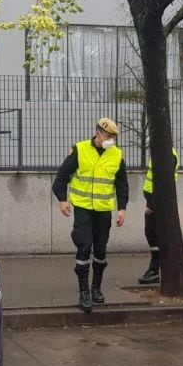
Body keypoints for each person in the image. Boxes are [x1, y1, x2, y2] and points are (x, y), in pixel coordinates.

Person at [52, 117, 129, 312]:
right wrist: (62, 200)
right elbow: (61, 177)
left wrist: (122, 208)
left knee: (101, 252)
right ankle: (84, 291)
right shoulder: (80, 149)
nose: (111, 140)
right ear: (98, 133)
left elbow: (122, 184)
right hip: (83, 208)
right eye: (109, 136)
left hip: (103, 210)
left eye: (114, 137)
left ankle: (96, 289)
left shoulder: (116, 155)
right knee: (84, 247)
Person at [138, 147, 179, 285]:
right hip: (156, 199)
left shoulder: (166, 154)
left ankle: (155, 270)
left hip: (158, 200)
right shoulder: (160, 152)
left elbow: (164, 181)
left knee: (153, 234)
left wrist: (152, 203)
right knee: (154, 234)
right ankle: (158, 269)